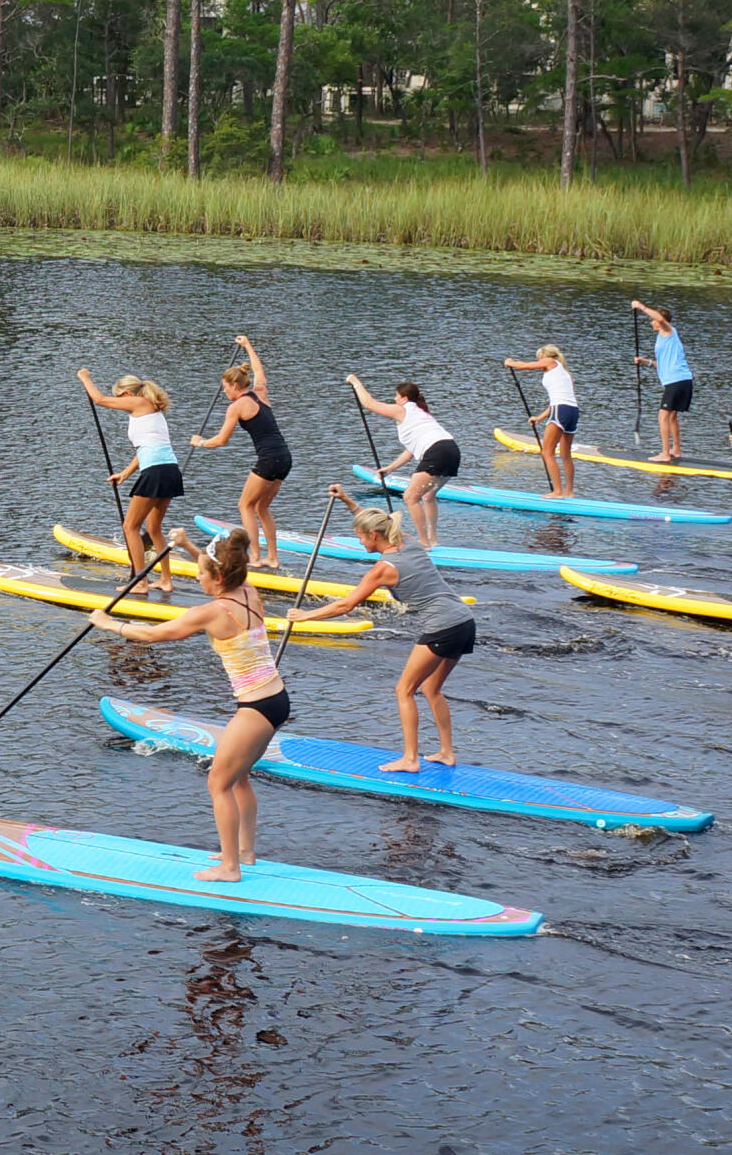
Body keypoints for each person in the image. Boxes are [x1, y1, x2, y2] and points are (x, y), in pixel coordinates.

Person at [84, 527, 286, 883]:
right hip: (275, 700)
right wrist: (190, 546)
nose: (196, 575)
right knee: (238, 779)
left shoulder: (211, 611)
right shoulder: (248, 590)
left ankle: (229, 868)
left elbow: (153, 634)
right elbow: (221, 568)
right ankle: (244, 852)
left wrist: (108, 624)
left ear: (218, 576)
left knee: (218, 782)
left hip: (256, 708)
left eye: (200, 572)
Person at [290, 490, 476, 770]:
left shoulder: (383, 568)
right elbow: (379, 522)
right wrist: (348, 502)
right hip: (464, 620)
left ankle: (410, 759)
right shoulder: (408, 542)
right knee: (431, 688)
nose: (359, 541)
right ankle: (446, 752)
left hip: (443, 626)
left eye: (361, 536)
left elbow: (346, 605)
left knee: (404, 690)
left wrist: (305, 615)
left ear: (373, 536)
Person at [193, 335, 295, 571]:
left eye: (226, 387)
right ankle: (273, 558)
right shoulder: (259, 392)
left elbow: (221, 440)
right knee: (262, 508)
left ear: (236, 386)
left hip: (269, 459)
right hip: (285, 458)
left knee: (245, 506)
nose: (224, 391)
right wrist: (248, 345)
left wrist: (200, 442)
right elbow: (259, 370)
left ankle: (256, 557)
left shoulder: (236, 406)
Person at [79, 368, 182, 594]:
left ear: (127, 394)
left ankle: (141, 582)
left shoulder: (139, 402)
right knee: (154, 528)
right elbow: (147, 448)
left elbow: (99, 399)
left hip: (156, 472)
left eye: (119, 397)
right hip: (169, 469)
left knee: (130, 527)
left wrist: (85, 378)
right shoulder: (151, 410)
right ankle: (166, 580)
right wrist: (125, 474)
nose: (118, 402)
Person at [346, 374, 461, 546]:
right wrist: (391, 468)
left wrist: (355, 382)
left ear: (404, 398)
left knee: (410, 498)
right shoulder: (422, 414)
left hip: (437, 453)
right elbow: (411, 450)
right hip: (452, 451)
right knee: (428, 496)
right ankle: (433, 540)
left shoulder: (403, 409)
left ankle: (424, 543)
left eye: (396, 396)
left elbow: (369, 404)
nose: (394, 399)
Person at [505, 344, 580, 497]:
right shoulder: (565, 374)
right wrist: (539, 418)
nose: (539, 362)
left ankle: (557, 491)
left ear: (545, 356)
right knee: (566, 454)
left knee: (547, 452)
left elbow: (525, 366)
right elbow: (559, 400)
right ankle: (569, 491)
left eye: (539, 358)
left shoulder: (550, 362)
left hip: (561, 410)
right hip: (572, 411)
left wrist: (510, 363)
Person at [631, 300, 694, 461]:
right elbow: (664, 364)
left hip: (677, 381)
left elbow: (659, 319)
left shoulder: (668, 331)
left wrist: (641, 307)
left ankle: (665, 454)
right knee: (672, 417)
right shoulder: (663, 338)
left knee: (662, 417)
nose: (652, 322)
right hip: (683, 380)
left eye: (654, 320)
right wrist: (646, 362)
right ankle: (676, 450)